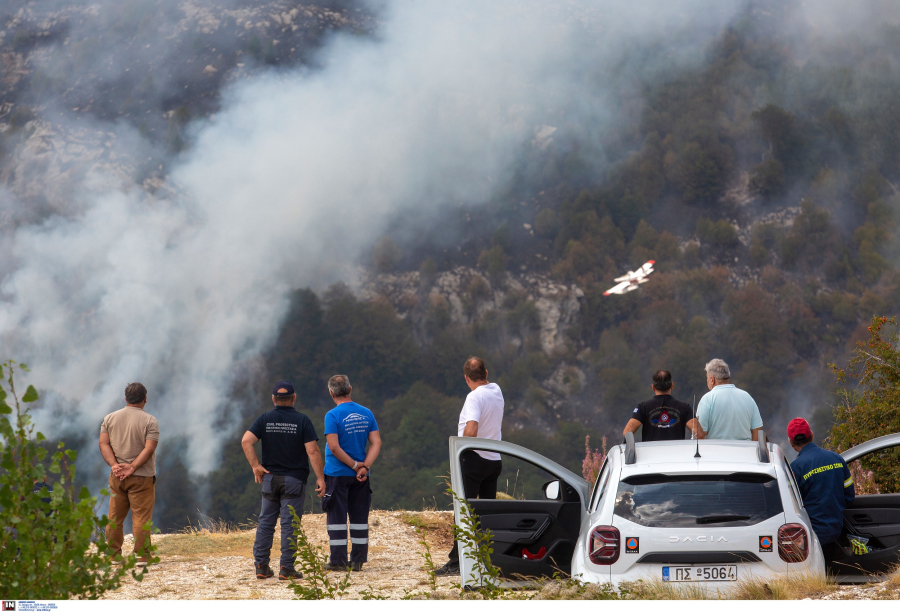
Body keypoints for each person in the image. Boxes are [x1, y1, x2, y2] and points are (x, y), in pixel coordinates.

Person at [242, 381, 325, 581]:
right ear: (294, 398)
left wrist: (256, 466)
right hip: (294, 480)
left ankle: (261, 566)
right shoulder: (302, 421)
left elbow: (246, 440)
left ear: (273, 400)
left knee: (265, 523)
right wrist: (321, 477)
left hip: (269, 479)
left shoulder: (264, 419)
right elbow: (312, 450)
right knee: (289, 525)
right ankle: (286, 568)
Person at [435, 356, 504, 577]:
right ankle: (485, 560)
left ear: (466, 378)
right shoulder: (496, 391)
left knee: (463, 512)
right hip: (494, 459)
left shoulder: (474, 397)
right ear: (486, 373)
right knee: (485, 514)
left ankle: (457, 562)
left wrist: (463, 450)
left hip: (474, 459)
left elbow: (472, 429)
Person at [321, 375, 382, 572]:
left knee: (337, 518)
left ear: (331, 393)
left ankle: (338, 561)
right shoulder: (367, 413)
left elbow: (334, 447)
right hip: (362, 476)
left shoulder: (332, 415)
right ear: (350, 389)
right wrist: (365, 467)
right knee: (359, 516)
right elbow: (376, 442)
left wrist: (354, 465)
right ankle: (358, 560)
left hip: (338, 473)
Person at [99, 382, 159, 565]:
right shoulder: (150, 421)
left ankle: (113, 555)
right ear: (145, 399)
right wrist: (132, 467)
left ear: (126, 398)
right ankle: (142, 556)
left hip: (117, 476)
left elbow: (103, 443)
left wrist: (115, 465)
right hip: (142, 477)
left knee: (115, 517)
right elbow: (149, 448)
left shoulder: (109, 418)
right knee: (141, 517)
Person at [787, 418, 855, 549]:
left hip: (813, 537)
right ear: (812, 435)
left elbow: (792, 505)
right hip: (838, 531)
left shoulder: (795, 469)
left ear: (791, 443)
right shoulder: (836, 458)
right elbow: (849, 495)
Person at [695, 359, 763, 440]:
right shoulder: (747, 397)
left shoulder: (707, 399)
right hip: (744, 451)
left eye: (707, 378)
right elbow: (757, 431)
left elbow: (700, 434)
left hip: (715, 451)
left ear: (712, 379)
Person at [622, 370, 697, 441]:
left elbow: (627, 432)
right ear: (672, 385)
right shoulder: (685, 407)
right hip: (676, 454)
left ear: (653, 387)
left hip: (651, 454)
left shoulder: (643, 407)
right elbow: (699, 434)